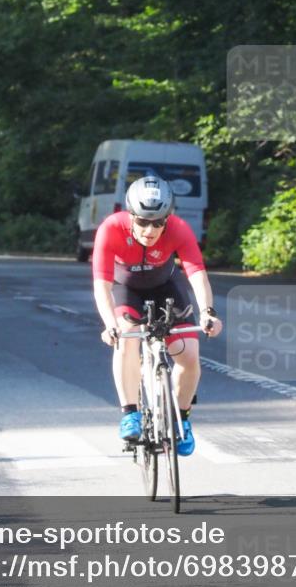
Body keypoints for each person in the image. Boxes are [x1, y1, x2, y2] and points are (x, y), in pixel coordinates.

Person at [92, 175, 222, 456]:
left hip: (167, 288)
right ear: (130, 215)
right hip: (128, 290)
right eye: (142, 221)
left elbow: (197, 273)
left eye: (158, 222)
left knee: (189, 355)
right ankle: (130, 413)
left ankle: (181, 420)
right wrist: (109, 325)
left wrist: (208, 312)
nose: (150, 230)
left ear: (168, 218)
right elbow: (101, 284)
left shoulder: (179, 228)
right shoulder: (110, 228)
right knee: (126, 341)